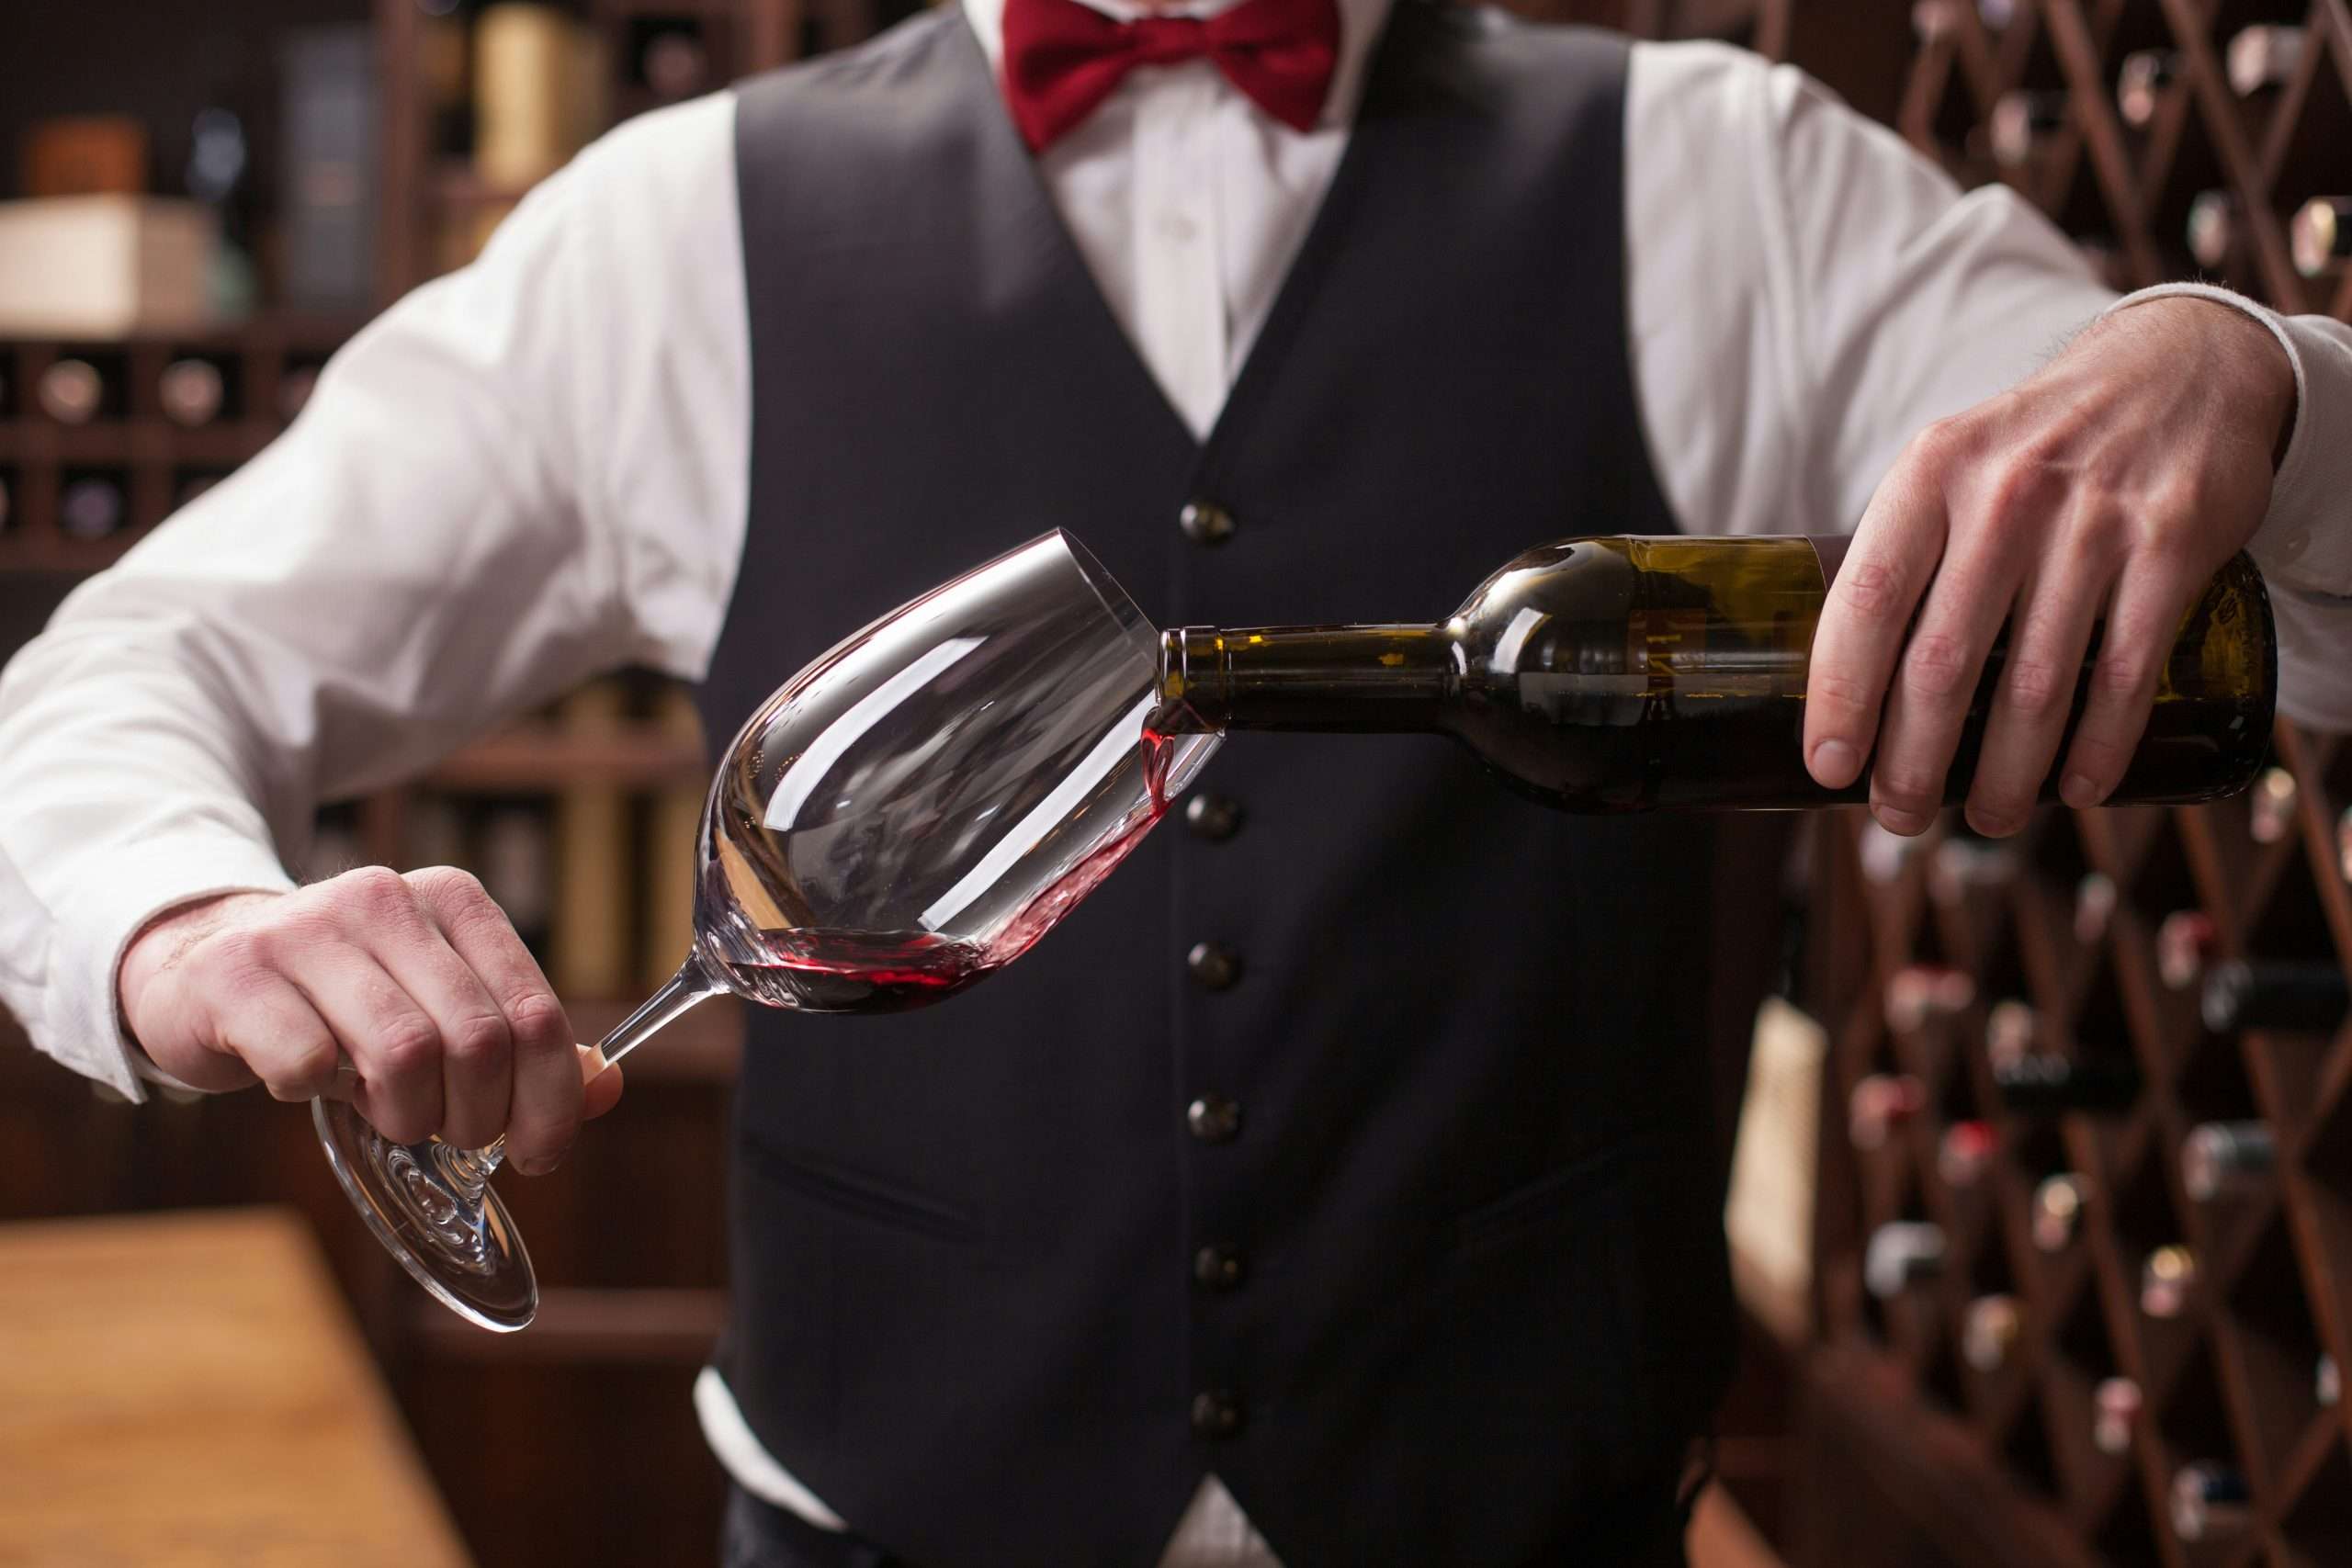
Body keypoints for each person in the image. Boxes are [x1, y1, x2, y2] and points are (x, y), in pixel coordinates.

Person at [2, 0, 2348, 1562]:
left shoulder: (1724, 181)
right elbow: (128, 662)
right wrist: (185, 919)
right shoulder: (673, 225)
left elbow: (2267, 604)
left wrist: (2240, 366)